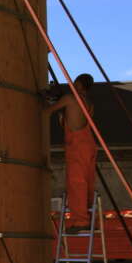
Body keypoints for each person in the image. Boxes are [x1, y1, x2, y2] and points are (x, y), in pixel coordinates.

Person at [45, 73, 96, 233]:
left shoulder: (70, 99)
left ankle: (80, 222)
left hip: (77, 146)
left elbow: (47, 112)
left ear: (80, 84)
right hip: (88, 144)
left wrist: (45, 101)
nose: (72, 85)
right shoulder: (89, 104)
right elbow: (73, 121)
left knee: (77, 183)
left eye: (75, 82)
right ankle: (87, 218)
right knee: (87, 182)